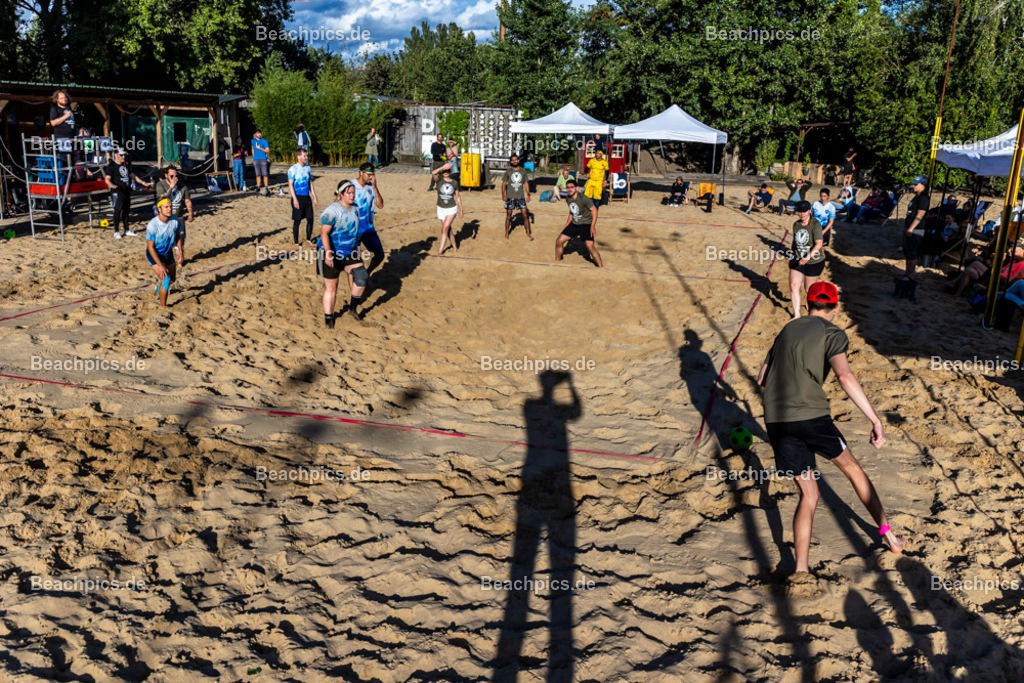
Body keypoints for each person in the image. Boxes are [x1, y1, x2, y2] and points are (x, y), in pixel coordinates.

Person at [757, 281, 904, 575]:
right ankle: (889, 535)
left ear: (809, 305)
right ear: (835, 308)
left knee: (809, 495)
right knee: (854, 471)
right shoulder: (832, 332)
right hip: (811, 416)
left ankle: (800, 570)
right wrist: (875, 420)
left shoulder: (787, 329)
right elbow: (844, 376)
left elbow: (762, 377)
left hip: (776, 419)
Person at [316, 180, 365, 327]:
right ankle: (329, 320)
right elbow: (324, 233)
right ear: (341, 194)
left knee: (362, 276)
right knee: (332, 287)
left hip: (349, 251)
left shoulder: (355, 208)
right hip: (329, 250)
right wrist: (329, 254)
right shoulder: (333, 211)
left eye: (353, 192)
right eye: (348, 193)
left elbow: (355, 231)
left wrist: (356, 246)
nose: (352, 195)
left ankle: (352, 308)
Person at [788, 200, 825, 319]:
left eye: (804, 211)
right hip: (798, 259)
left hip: (814, 261)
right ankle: (797, 314)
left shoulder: (815, 224)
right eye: (800, 211)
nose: (802, 214)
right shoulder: (796, 225)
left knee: (809, 289)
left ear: (809, 211)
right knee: (793, 285)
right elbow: (795, 241)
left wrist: (807, 257)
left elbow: (819, 244)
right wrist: (792, 254)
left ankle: (812, 310)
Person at [104, 148, 152, 239]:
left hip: (126, 190)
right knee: (118, 210)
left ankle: (126, 229)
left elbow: (133, 176)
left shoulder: (125, 165)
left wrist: (143, 183)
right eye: (121, 155)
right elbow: (107, 179)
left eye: (124, 155)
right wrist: (112, 185)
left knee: (126, 210)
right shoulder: (111, 166)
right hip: (117, 191)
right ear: (116, 155)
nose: (123, 157)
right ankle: (116, 231)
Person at [146, 198, 185, 308]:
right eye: (166, 207)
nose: (169, 209)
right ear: (159, 209)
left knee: (172, 279)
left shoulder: (174, 219)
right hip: (154, 254)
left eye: (170, 206)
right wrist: (160, 265)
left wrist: (180, 251)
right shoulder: (153, 225)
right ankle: (163, 307)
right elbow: (150, 247)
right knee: (166, 279)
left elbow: (177, 236)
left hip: (167, 253)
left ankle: (159, 288)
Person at [556, 178, 603, 267]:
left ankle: (601, 267)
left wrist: (592, 226)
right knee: (559, 241)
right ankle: (557, 263)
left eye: (572, 187)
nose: (569, 189)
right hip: (574, 224)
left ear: (576, 188)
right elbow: (571, 212)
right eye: (568, 187)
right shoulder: (568, 198)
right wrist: (567, 224)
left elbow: (595, 210)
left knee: (590, 246)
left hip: (586, 224)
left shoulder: (583, 198)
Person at [352, 162, 385, 277]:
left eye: (373, 174)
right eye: (369, 174)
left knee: (380, 255)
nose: (371, 177)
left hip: (368, 228)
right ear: (361, 173)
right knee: (354, 259)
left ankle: (367, 273)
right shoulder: (350, 185)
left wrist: (375, 187)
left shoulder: (371, 187)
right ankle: (357, 283)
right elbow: (337, 201)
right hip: (354, 229)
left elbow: (380, 205)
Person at [431, 161, 463, 255]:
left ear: (450, 172)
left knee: (444, 228)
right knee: (448, 230)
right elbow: (433, 173)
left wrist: (461, 209)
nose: (446, 172)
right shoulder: (439, 180)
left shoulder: (454, 182)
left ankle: (440, 251)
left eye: (448, 171)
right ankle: (455, 247)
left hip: (451, 208)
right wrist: (442, 167)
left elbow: (457, 196)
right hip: (440, 208)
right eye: (445, 171)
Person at [901, 175, 929, 282]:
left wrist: (911, 228)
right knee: (907, 252)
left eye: (916, 184)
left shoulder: (923, 198)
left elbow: (920, 214)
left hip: (916, 229)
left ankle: (910, 275)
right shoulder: (917, 196)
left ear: (923, 185)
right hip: (909, 226)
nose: (914, 186)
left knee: (912, 253)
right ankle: (907, 273)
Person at [287, 148, 318, 244]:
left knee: (310, 219)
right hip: (298, 197)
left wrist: (315, 196)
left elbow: (310, 183)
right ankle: (296, 242)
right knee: (297, 220)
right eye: (304, 156)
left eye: (306, 156)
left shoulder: (308, 168)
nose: (306, 157)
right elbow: (290, 185)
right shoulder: (293, 169)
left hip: (306, 197)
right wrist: (295, 200)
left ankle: (308, 239)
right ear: (298, 156)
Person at [502, 154, 532, 240]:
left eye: (516, 159)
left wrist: (528, 194)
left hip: (520, 196)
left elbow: (526, 183)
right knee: (509, 215)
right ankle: (507, 233)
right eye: (513, 160)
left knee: (525, 215)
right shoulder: (508, 172)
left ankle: (528, 233)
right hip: (510, 196)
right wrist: (503, 195)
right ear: (510, 162)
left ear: (518, 160)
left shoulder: (523, 171)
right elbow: (504, 184)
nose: (514, 161)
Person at [251, 129, 270, 196]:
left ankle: (266, 186)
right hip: (256, 159)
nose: (259, 134)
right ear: (255, 134)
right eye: (257, 133)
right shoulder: (253, 141)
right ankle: (258, 186)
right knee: (257, 174)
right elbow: (252, 148)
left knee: (265, 174)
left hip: (263, 159)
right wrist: (253, 156)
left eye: (260, 133)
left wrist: (260, 148)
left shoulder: (264, 141)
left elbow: (268, 150)